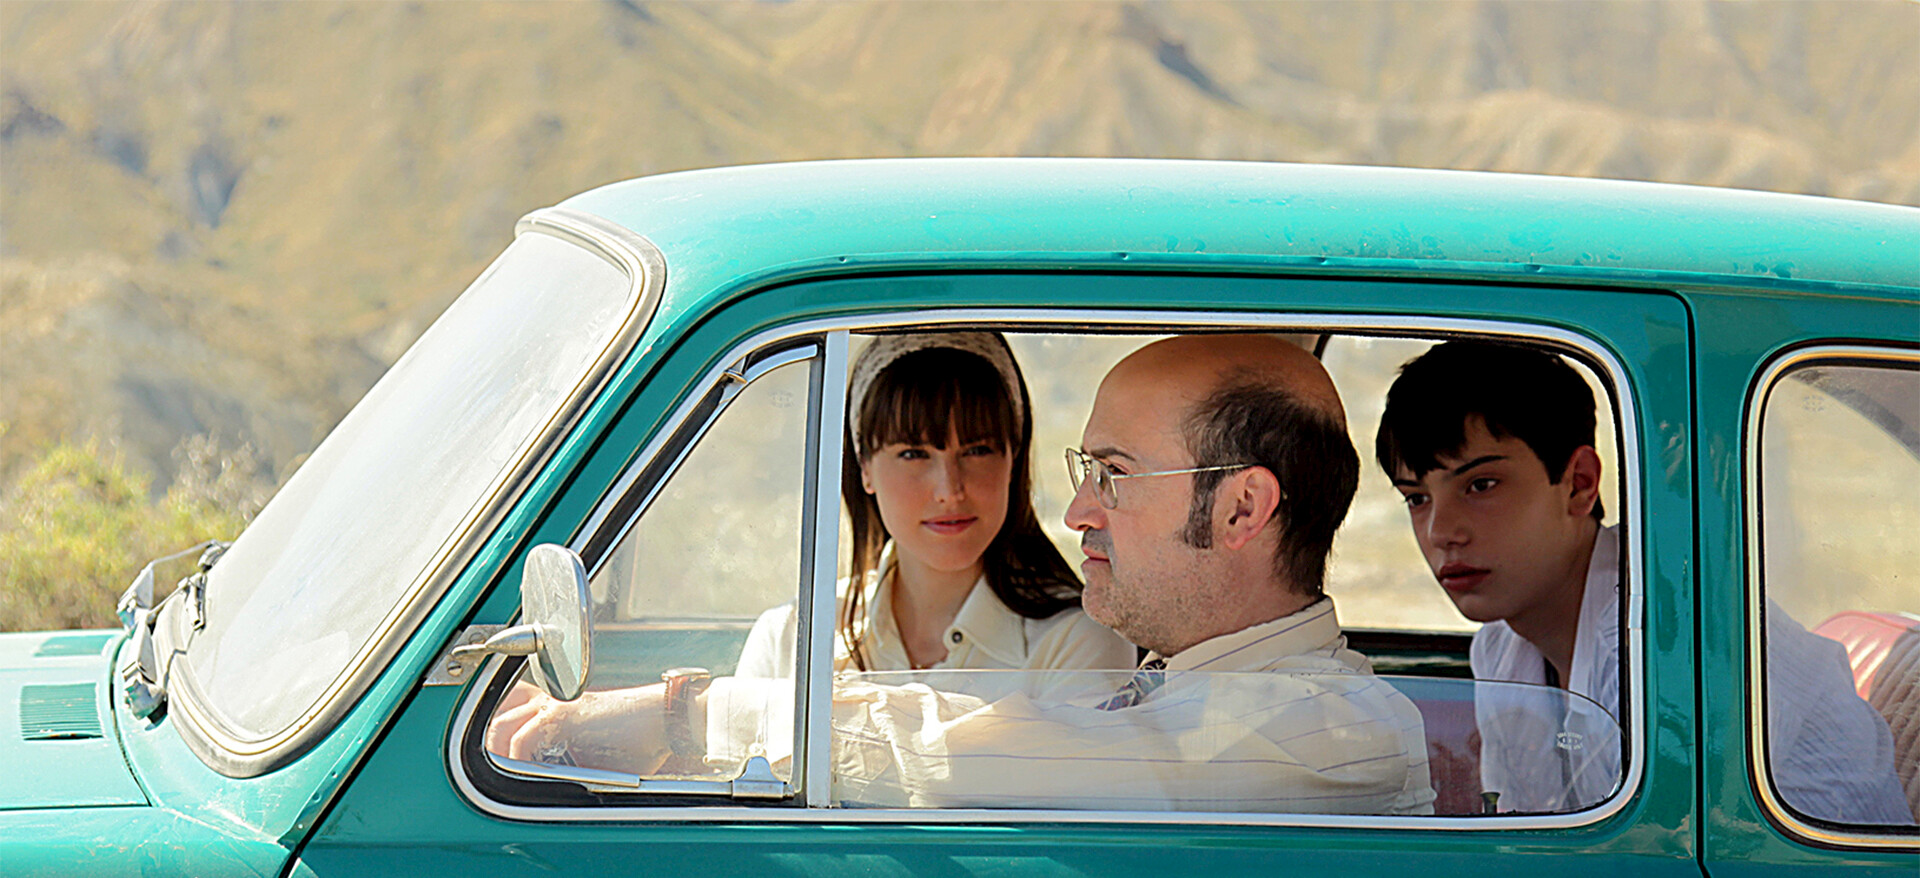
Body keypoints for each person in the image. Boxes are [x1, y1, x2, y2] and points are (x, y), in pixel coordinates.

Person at [491, 334, 1433, 815]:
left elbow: (985, 749)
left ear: (1241, 508)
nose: (1078, 511)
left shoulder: (1325, 731)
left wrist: (684, 717)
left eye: (1114, 475)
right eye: (1083, 472)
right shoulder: (1194, 692)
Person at [1375, 340, 1909, 823]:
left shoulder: (1666, 640)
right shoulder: (1500, 648)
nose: (1441, 532)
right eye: (1416, 498)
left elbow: (1660, 852)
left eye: (1481, 485)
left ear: (1579, 484)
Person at [735, 332, 1134, 679]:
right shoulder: (790, 639)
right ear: (865, 468)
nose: (949, 490)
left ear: (1013, 460)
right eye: (914, 454)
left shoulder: (1077, 640)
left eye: (977, 450)